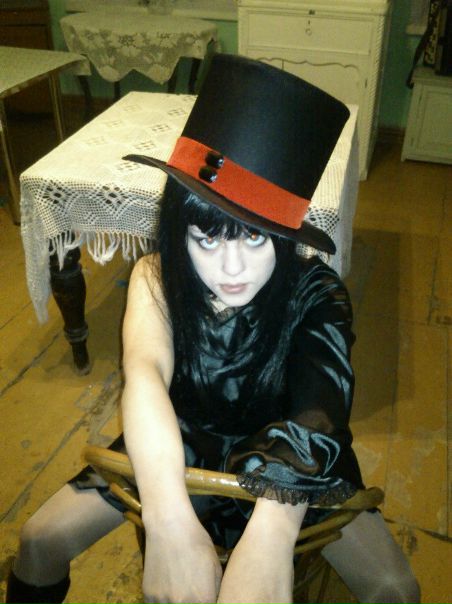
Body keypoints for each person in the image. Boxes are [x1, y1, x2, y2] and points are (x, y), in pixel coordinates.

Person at [6, 54, 420, 604]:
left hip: (295, 455)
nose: (230, 269)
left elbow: (319, 411)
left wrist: (271, 536)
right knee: (37, 540)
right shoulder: (156, 275)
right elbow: (144, 375)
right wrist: (168, 520)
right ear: (179, 228)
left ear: (285, 235)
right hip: (178, 440)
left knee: (395, 588)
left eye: (254, 237)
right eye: (206, 238)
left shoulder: (316, 292)